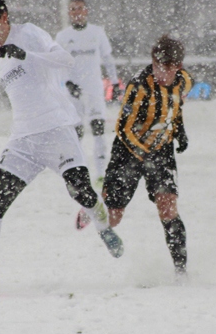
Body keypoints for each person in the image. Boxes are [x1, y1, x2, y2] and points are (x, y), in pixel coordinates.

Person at [0, 0, 123, 275]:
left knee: (81, 191)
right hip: (23, 141)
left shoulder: (28, 33)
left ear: (3, 16)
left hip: (57, 131)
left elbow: (66, 60)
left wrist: (27, 54)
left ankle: (103, 227)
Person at [78, 35, 192, 275]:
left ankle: (181, 271)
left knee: (168, 207)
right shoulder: (139, 86)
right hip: (128, 152)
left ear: (178, 67)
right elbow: (122, 128)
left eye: (166, 69)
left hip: (161, 151)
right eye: (156, 66)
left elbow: (176, 104)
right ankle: (93, 205)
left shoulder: (184, 82)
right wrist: (141, 152)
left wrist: (179, 130)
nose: (160, 73)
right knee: (115, 217)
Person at [55, 0, 121, 184]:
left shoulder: (97, 33)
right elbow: (57, 64)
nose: (77, 12)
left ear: (86, 11)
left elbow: (108, 59)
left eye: (80, 8)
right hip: (74, 92)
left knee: (98, 128)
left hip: (94, 90)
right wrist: (67, 82)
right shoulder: (62, 36)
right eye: (73, 9)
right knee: (76, 133)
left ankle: (101, 174)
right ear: (69, 13)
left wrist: (115, 83)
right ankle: (78, 173)